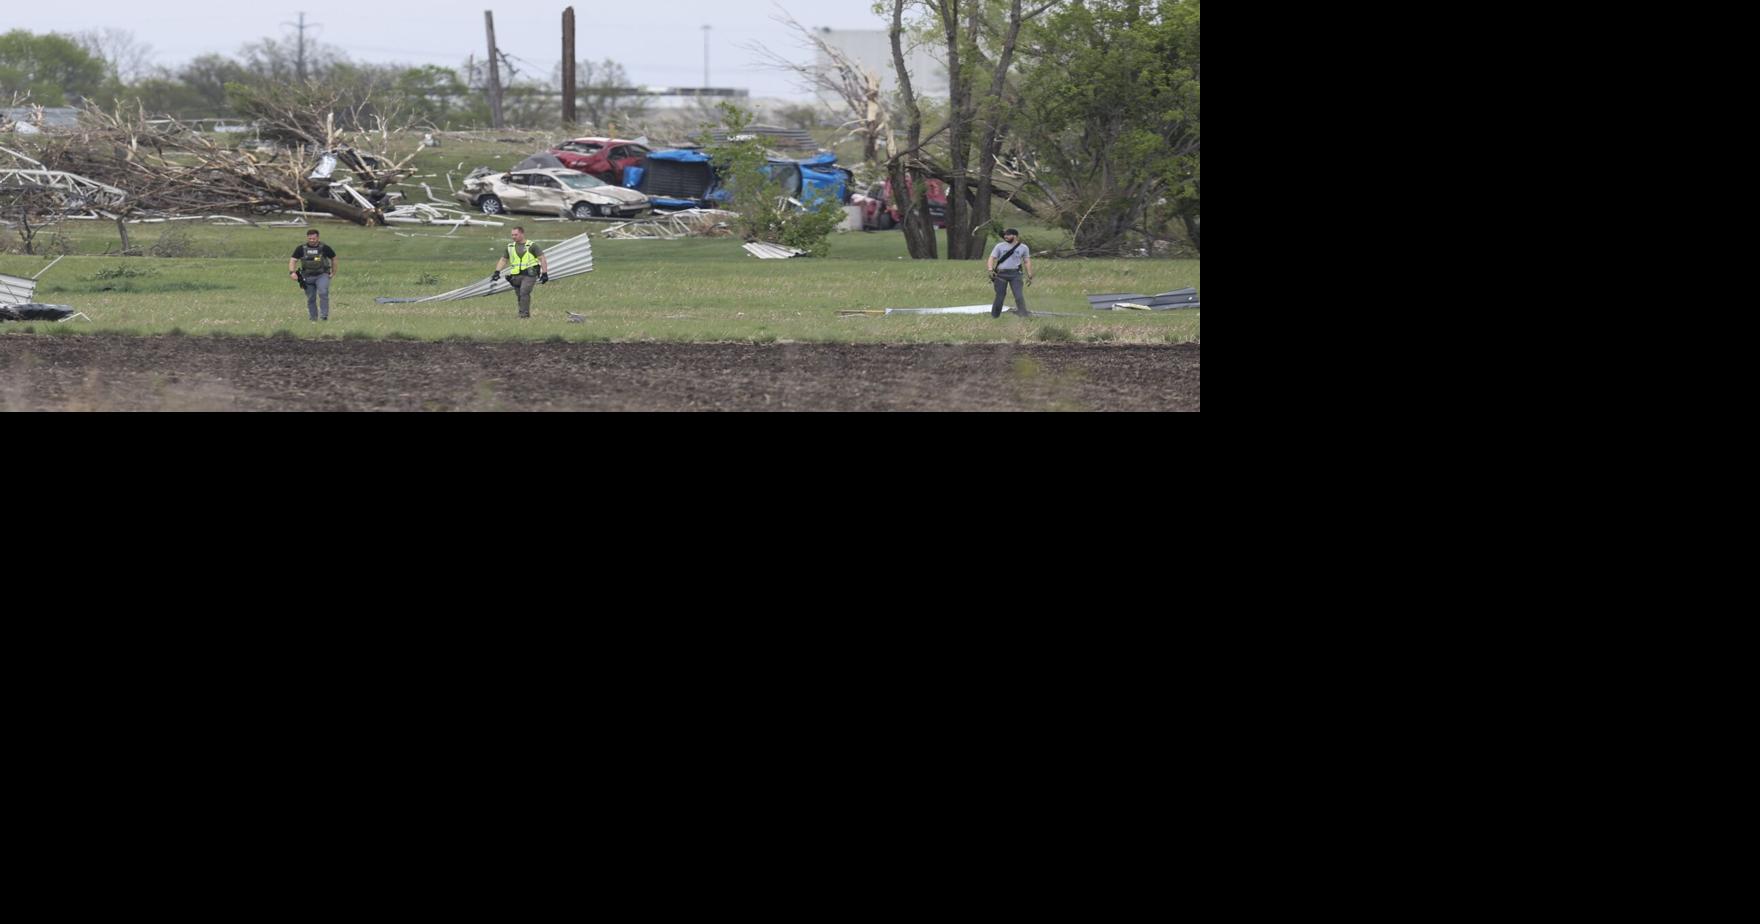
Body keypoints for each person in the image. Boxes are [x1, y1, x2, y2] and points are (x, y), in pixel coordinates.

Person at [490, 226, 551, 319]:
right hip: (515, 276)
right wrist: (497, 272)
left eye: (516, 234)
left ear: (522, 234)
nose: (513, 237)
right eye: (512, 235)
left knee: (524, 292)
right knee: (519, 295)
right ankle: (522, 312)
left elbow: (542, 258)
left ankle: (524, 315)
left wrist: (545, 273)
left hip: (530, 274)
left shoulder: (532, 246)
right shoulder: (510, 247)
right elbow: (503, 260)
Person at [288, 229, 338, 321]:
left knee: (323, 292)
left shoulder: (325, 248)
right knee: (311, 297)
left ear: (318, 238)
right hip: (306, 276)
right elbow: (293, 260)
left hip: (322, 274)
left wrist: (333, 272)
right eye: (310, 238)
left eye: (314, 238)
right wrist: (292, 272)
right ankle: (313, 318)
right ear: (307, 238)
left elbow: (334, 258)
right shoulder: (301, 248)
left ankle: (324, 316)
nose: (311, 240)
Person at [987, 227, 1034, 318]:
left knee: (1018, 296)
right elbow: (991, 258)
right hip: (1001, 274)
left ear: (1015, 236)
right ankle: (995, 316)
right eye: (1005, 235)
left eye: (1008, 235)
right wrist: (990, 269)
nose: (1005, 236)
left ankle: (1023, 315)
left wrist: (1029, 274)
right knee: (1000, 296)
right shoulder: (999, 246)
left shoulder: (1024, 247)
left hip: (1015, 274)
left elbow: (1027, 261)